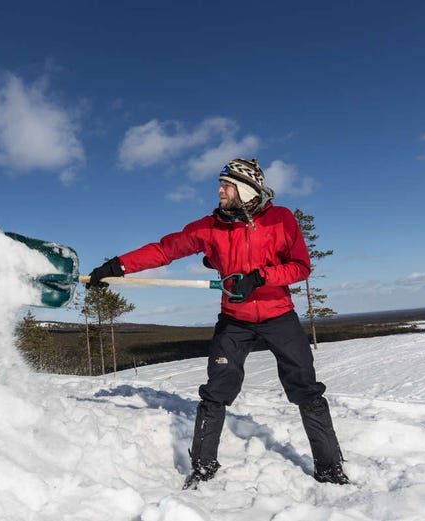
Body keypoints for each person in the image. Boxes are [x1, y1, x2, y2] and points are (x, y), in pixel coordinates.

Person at [87, 158, 348, 489]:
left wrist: (261, 277)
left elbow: (300, 267)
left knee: (306, 389)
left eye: (226, 185)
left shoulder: (280, 220)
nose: (219, 190)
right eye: (221, 184)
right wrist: (118, 266)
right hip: (235, 320)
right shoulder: (210, 226)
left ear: (245, 189)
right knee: (216, 391)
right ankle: (203, 466)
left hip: (278, 315)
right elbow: (165, 250)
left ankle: (330, 467)